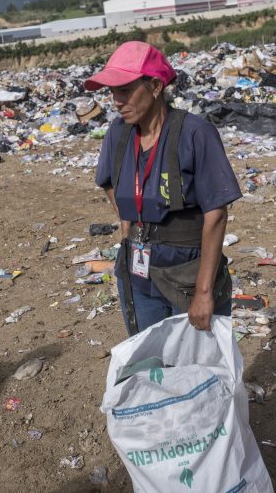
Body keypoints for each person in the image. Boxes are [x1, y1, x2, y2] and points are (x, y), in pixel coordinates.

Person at [87, 41, 241, 335]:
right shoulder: (118, 134)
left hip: (188, 273)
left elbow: (216, 214)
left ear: (155, 87)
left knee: (197, 367)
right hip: (137, 272)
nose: (116, 101)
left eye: (125, 90)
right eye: (112, 92)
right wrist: (128, 221)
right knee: (151, 364)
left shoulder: (195, 133)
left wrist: (204, 292)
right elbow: (108, 180)